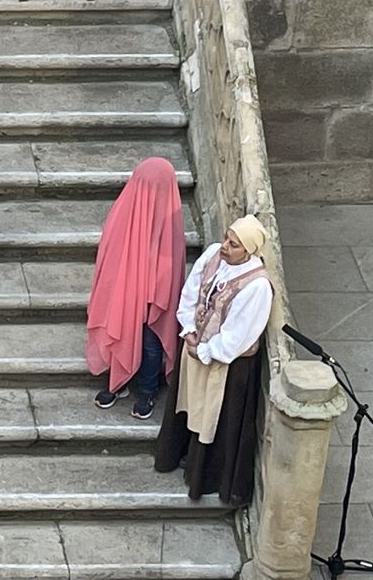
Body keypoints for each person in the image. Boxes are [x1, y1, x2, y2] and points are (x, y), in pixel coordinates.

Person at [154, 215, 274, 503]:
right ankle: (177, 451)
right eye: (226, 238)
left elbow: (240, 334)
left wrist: (207, 351)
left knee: (211, 416)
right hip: (195, 347)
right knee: (189, 403)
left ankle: (202, 474)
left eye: (234, 244)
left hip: (225, 366)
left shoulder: (257, 287)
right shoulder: (212, 255)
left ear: (248, 250)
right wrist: (190, 330)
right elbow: (191, 293)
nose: (225, 246)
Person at [86, 158, 187, 420]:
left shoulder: (171, 217)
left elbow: (171, 262)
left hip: (154, 292)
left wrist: (154, 292)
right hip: (125, 289)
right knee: (120, 328)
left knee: (151, 340)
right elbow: (110, 252)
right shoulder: (124, 210)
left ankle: (147, 390)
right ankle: (117, 383)